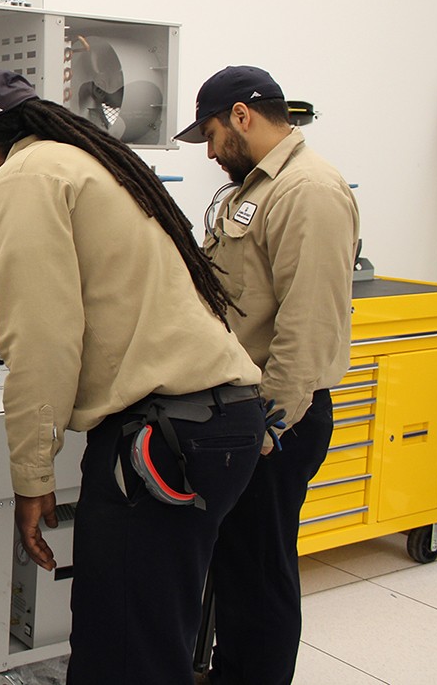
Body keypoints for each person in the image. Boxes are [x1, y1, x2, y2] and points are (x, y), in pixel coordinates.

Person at [0, 69, 267, 684]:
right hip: (218, 420)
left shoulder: (21, 182)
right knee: (150, 629)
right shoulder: (73, 165)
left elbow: (42, 343)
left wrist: (33, 475)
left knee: (120, 646)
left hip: (162, 439)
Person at [177, 66, 359, 685]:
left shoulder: (308, 190)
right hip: (240, 408)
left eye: (209, 134)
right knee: (237, 564)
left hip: (277, 417)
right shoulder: (250, 189)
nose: (208, 150)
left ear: (241, 117)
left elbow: (307, 328)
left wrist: (268, 426)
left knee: (259, 572)